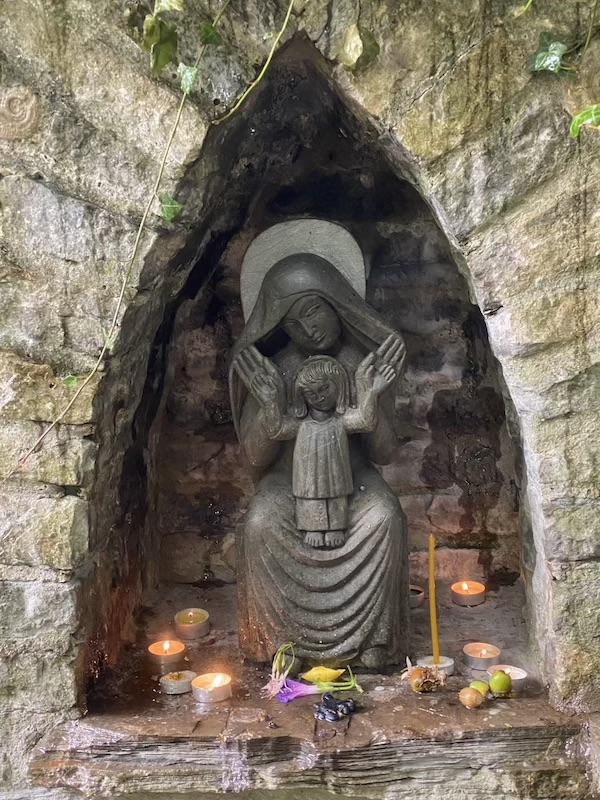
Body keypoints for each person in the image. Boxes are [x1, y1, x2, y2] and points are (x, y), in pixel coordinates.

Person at [230, 252, 410, 668]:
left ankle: (374, 641)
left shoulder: (362, 363)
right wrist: (271, 403)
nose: (308, 329)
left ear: (336, 301)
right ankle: (278, 643)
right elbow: (255, 458)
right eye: (292, 323)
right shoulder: (276, 371)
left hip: (355, 481)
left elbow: (384, 452)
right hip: (286, 482)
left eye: (313, 311)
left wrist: (372, 398)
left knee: (384, 516)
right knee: (259, 523)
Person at [250, 354, 396, 549]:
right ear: (302, 396)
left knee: (337, 495)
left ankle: (335, 527)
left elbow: (365, 420)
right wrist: (270, 403)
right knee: (309, 497)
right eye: (311, 393)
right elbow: (276, 429)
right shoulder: (301, 424)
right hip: (308, 476)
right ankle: (312, 528)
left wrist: (370, 391)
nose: (319, 397)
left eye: (325, 388)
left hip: (336, 473)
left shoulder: (340, 420)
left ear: (339, 385)